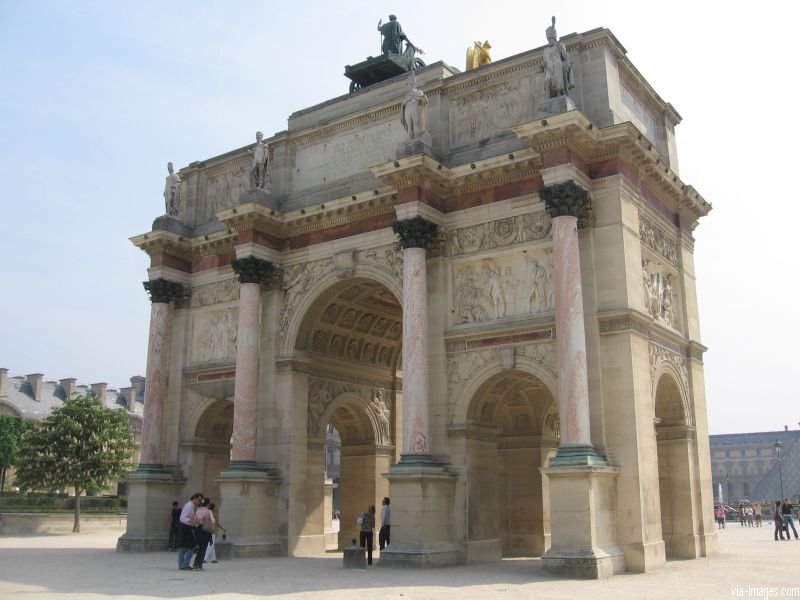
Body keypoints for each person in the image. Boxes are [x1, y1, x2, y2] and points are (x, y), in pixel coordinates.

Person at [542, 16, 573, 98]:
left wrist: (566, 65)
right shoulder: (545, 50)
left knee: (558, 67)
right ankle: (548, 95)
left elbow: (566, 57)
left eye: (550, 36)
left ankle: (559, 93)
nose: (549, 38)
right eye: (548, 36)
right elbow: (545, 62)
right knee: (547, 79)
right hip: (549, 68)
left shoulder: (559, 45)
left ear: (554, 36)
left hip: (558, 66)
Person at [177, 493, 203, 570]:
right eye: (199, 500)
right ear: (194, 498)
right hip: (185, 528)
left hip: (186, 527)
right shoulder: (188, 506)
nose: (199, 501)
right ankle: (184, 564)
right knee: (190, 546)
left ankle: (182, 564)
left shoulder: (192, 506)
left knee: (184, 546)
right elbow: (182, 518)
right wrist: (192, 521)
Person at [193, 498, 215, 570]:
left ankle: (195, 564)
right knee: (203, 549)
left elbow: (195, 521)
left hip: (199, 530)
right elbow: (213, 521)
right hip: (206, 531)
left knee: (200, 548)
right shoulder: (209, 511)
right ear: (208, 504)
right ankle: (199, 565)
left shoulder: (197, 511)